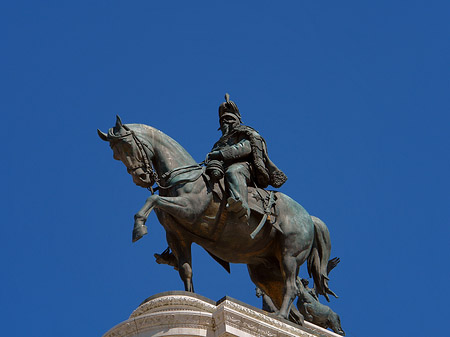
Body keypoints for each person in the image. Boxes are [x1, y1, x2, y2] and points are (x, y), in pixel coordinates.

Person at [206, 93, 287, 221]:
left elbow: (245, 148)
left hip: (245, 167)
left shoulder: (246, 132)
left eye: (229, 119)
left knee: (233, 172)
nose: (226, 121)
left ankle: (241, 205)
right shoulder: (219, 142)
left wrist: (221, 154)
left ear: (237, 120)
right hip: (221, 169)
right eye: (223, 120)